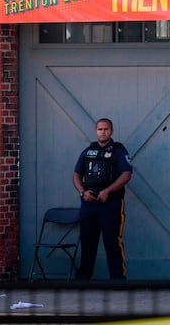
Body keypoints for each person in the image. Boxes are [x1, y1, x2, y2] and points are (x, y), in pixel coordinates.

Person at [72, 118, 133, 280]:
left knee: (112, 242)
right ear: (95, 131)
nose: (103, 132)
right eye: (100, 129)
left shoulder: (118, 150)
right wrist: (82, 192)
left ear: (111, 131)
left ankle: (118, 280)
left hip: (111, 203)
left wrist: (107, 191)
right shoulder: (88, 151)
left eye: (106, 129)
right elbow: (76, 175)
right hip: (89, 204)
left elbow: (126, 174)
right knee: (87, 242)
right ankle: (83, 279)